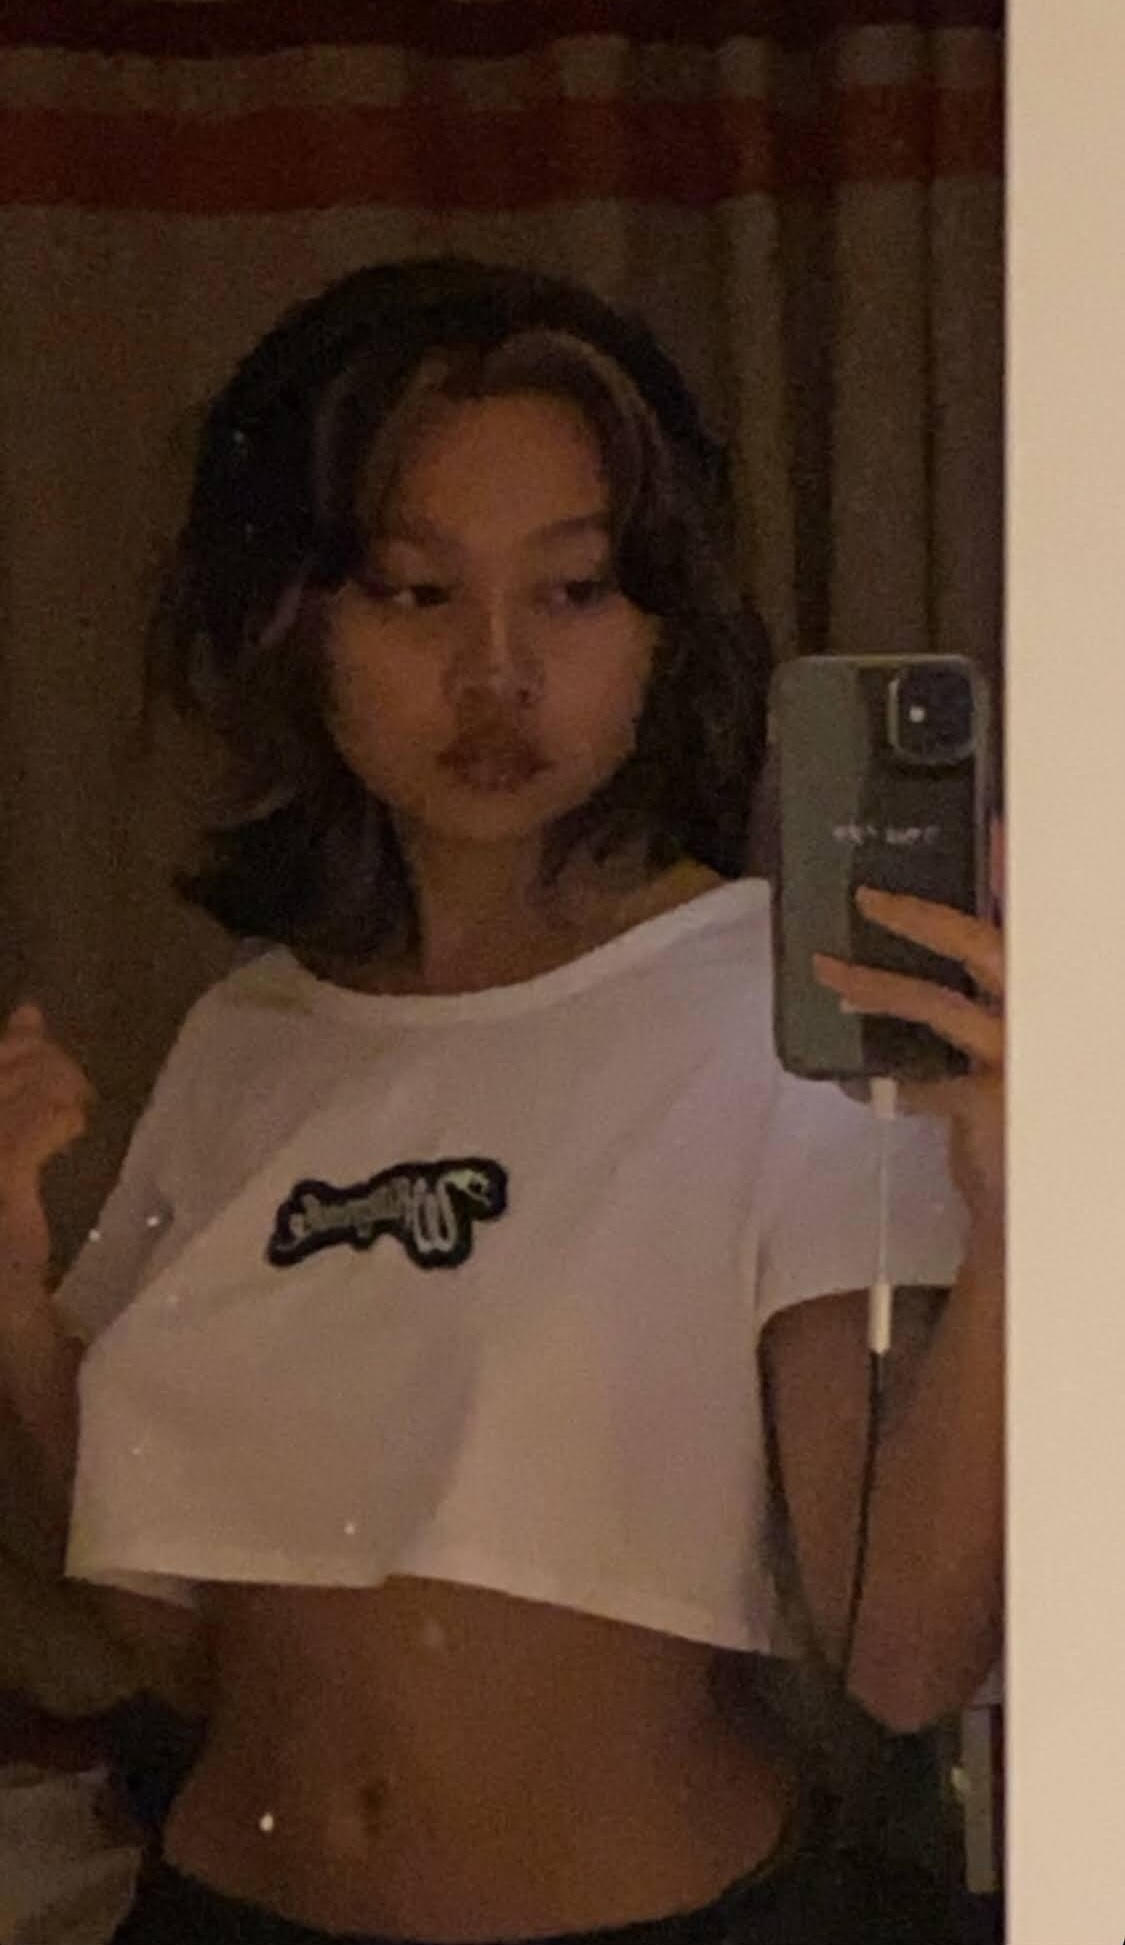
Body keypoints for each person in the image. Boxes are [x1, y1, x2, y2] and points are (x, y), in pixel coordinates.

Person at [0, 258, 1003, 1944]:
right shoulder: (246, 1036)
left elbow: (902, 1654)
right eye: (413, 592)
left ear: (661, 625)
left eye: (575, 590)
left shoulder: (767, 1010)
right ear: (297, 617)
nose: (496, 671)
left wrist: (1023, 1211)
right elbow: (173, 1635)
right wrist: (11, 1299)